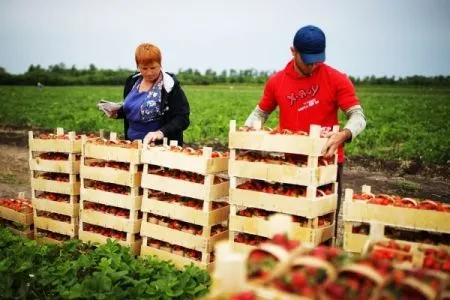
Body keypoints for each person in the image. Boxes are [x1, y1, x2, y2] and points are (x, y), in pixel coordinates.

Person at [244, 25, 366, 238]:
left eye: (318, 59)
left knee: (323, 222)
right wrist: (248, 130)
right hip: (291, 164)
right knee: (291, 221)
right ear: (293, 51)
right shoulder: (277, 82)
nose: (313, 65)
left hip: (327, 162)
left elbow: (358, 117)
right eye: (308, 59)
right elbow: (259, 114)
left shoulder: (337, 78)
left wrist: (344, 134)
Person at [99, 43, 190, 146]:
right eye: (144, 68)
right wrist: (117, 112)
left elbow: (182, 118)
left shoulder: (169, 86)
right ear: (138, 66)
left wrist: (160, 132)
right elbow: (136, 111)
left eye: (153, 68)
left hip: (160, 147)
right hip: (133, 144)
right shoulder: (132, 82)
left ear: (160, 64)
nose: (149, 73)